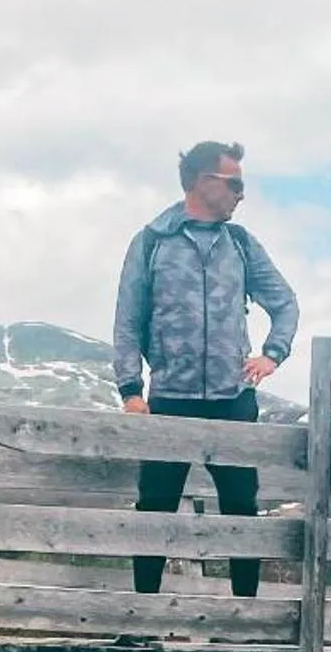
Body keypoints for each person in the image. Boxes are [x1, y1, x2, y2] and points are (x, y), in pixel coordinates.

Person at [113, 141, 299, 596]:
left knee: (241, 509)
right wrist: (130, 391)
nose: (241, 194)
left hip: (233, 400)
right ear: (203, 182)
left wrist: (272, 354)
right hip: (168, 399)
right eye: (234, 184)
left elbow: (285, 303)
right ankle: (142, 615)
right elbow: (128, 320)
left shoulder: (241, 243)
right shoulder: (152, 241)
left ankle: (247, 614)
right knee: (155, 507)